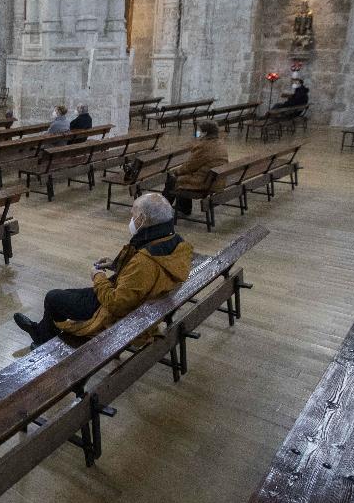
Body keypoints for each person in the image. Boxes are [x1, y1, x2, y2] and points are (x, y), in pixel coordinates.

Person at [12, 193, 193, 348]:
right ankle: (42, 332)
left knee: (53, 298)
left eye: (134, 213)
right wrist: (116, 265)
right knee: (65, 294)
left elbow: (115, 303)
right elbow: (140, 273)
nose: (131, 217)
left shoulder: (145, 262)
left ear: (143, 219)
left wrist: (98, 276)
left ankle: (43, 340)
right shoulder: (176, 242)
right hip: (141, 304)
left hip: (119, 313)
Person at [162, 120, 229, 215]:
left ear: (205, 133)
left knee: (172, 179)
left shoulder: (204, 146)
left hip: (204, 182)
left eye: (199, 131)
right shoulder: (220, 143)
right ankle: (183, 207)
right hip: (216, 181)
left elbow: (189, 166)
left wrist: (176, 172)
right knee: (183, 177)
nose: (198, 133)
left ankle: (161, 209)